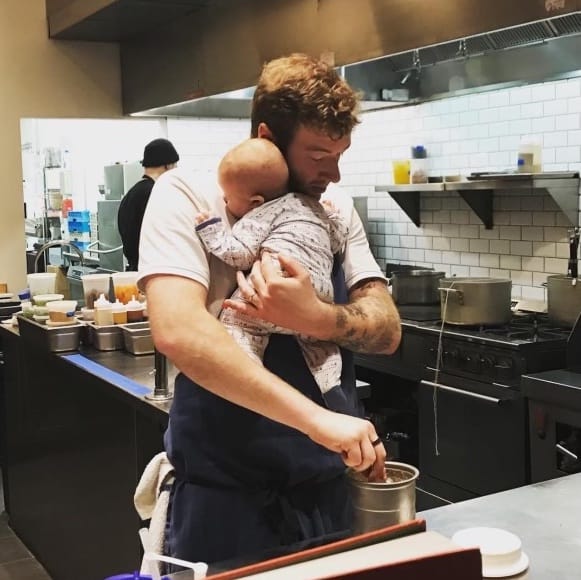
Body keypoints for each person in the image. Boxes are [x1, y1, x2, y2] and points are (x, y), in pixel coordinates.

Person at [138, 53, 401, 566]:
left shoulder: (335, 209)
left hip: (328, 488)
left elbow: (387, 328)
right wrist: (317, 422)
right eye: (318, 153)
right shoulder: (185, 196)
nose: (334, 170)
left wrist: (316, 318)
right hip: (228, 501)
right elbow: (178, 333)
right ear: (267, 134)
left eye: (341, 152)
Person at [195, 137, 349, 399]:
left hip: (276, 286)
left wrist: (210, 229)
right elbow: (337, 240)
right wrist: (333, 216)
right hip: (318, 297)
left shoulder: (261, 213)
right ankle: (329, 382)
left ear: (256, 201)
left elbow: (239, 254)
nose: (224, 201)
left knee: (238, 321)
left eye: (228, 198)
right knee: (318, 341)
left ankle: (248, 377)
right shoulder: (315, 207)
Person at [117, 138, 179, 271]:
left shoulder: (132, 194)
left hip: (137, 271)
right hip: (153, 272)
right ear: (167, 166)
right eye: (175, 166)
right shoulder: (155, 194)